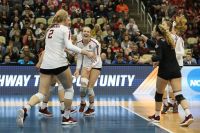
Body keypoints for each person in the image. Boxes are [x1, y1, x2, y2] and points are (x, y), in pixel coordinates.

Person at [16, 9, 96, 127]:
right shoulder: (65, 29)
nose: (69, 20)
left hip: (46, 65)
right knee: (69, 90)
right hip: (59, 64)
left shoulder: (50, 29)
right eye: (68, 18)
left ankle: (26, 108)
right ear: (64, 19)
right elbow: (69, 45)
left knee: (42, 94)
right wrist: (86, 52)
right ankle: (66, 117)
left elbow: (55, 47)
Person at [146, 24, 193, 127]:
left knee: (158, 94)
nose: (153, 31)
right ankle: (188, 115)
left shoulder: (160, 42)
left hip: (165, 71)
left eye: (154, 30)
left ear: (157, 32)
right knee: (179, 95)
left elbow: (159, 56)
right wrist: (147, 40)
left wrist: (147, 60)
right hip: (176, 70)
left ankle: (157, 116)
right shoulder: (169, 40)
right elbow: (160, 49)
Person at [35, 51, 76, 117]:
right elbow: (44, 52)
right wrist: (39, 62)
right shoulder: (56, 44)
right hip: (54, 65)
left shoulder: (58, 46)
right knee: (61, 84)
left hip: (50, 64)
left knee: (51, 86)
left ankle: (43, 107)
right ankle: (63, 108)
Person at [74, 26, 102, 116]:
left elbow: (97, 57)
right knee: (83, 86)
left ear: (90, 34)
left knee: (89, 88)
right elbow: (79, 57)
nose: (86, 33)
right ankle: (83, 102)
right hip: (85, 66)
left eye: (88, 32)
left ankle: (91, 108)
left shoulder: (96, 43)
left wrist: (91, 66)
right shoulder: (78, 43)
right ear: (82, 33)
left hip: (96, 65)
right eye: (84, 31)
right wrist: (77, 70)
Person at [161, 18, 185, 114]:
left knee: (172, 86)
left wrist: (172, 53)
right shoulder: (165, 38)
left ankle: (174, 103)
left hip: (177, 64)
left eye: (164, 24)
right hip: (167, 63)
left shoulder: (178, 39)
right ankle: (166, 104)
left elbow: (182, 52)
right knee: (163, 86)